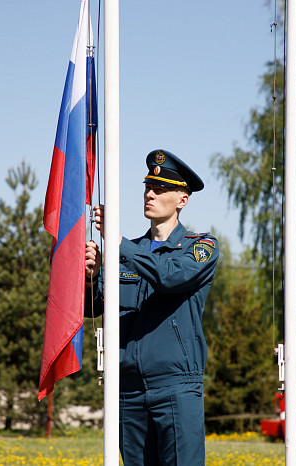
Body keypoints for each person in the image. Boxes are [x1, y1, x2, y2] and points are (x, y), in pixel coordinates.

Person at [84, 149, 219, 466]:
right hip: (128, 391)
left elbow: (170, 278)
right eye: (148, 187)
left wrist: (117, 244)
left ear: (182, 200)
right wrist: (92, 278)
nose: (150, 194)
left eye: (161, 189)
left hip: (176, 388)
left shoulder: (200, 247)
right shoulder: (128, 250)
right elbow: (95, 307)